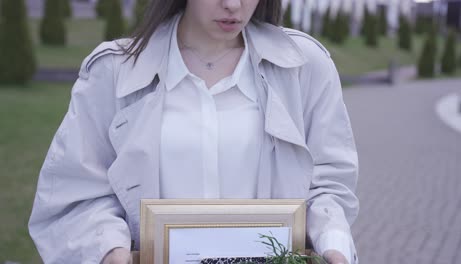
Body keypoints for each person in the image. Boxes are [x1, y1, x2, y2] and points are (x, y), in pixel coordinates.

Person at [28, 1, 359, 263]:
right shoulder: (112, 72)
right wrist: (107, 250)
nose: (233, 4)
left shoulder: (305, 66)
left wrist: (333, 243)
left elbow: (328, 183)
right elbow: (76, 195)